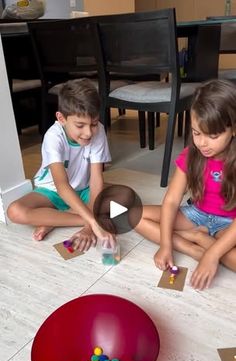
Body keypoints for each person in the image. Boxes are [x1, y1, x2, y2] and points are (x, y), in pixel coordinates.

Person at [135, 79, 236, 290]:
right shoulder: (192, 154)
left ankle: (205, 242)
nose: (202, 143)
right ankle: (192, 244)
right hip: (196, 215)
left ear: (233, 129)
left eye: (213, 135)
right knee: (132, 215)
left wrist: (213, 254)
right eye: (196, 133)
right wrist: (165, 245)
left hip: (229, 225)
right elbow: (171, 201)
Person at [7, 78, 118, 250]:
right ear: (61, 118)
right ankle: (82, 216)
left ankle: (52, 219)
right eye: (80, 125)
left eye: (94, 124)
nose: (88, 133)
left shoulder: (99, 132)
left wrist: (88, 228)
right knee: (15, 211)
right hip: (52, 191)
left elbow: (96, 180)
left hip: (83, 190)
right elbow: (62, 186)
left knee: (126, 198)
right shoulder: (53, 137)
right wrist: (94, 223)